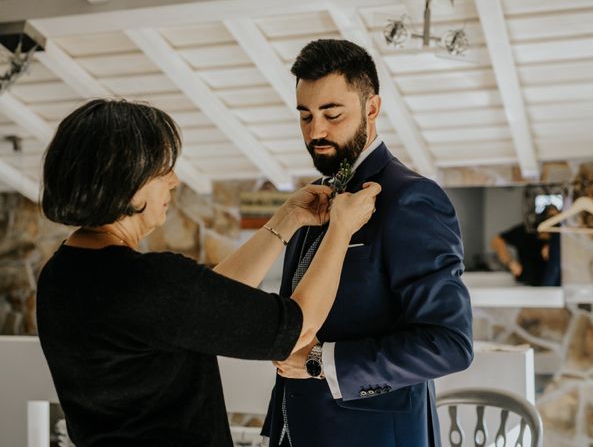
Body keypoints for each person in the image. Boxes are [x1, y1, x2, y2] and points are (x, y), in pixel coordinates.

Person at [36, 98, 380, 447]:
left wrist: (287, 220)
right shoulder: (151, 283)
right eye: (162, 170)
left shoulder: (59, 274)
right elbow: (298, 326)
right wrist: (342, 228)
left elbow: (206, 302)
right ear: (128, 180)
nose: (174, 181)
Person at [260, 40, 474, 447]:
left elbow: (450, 343)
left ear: (371, 109)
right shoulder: (315, 199)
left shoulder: (412, 199)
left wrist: (323, 362)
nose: (315, 131)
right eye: (305, 116)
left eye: (331, 114)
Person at [490, 205, 561, 286]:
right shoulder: (525, 231)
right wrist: (510, 262)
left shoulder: (558, 235)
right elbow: (496, 240)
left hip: (554, 285)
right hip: (526, 284)